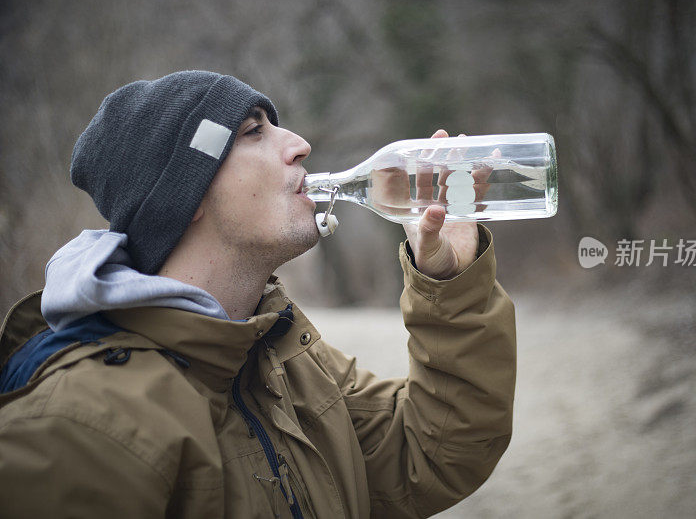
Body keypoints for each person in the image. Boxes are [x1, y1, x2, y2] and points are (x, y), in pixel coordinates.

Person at [0, 71, 516, 518]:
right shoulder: (84, 426)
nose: (299, 145)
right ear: (188, 193)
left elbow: (432, 453)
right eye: (252, 131)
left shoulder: (280, 356)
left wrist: (450, 281)